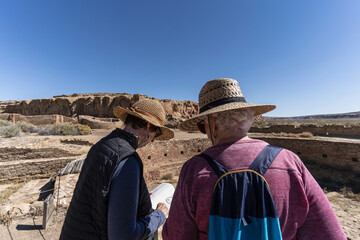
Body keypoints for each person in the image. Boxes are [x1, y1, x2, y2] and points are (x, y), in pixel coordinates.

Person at [162, 78, 346, 240]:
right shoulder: (289, 162)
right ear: (247, 118)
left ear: (211, 123)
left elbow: (176, 236)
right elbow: (330, 234)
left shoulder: (194, 170)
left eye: (203, 127)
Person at [60, 99, 174, 240]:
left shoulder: (102, 145)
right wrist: (159, 215)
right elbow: (124, 235)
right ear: (149, 127)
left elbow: (101, 194)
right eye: (155, 136)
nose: (152, 141)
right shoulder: (128, 160)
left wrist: (137, 196)